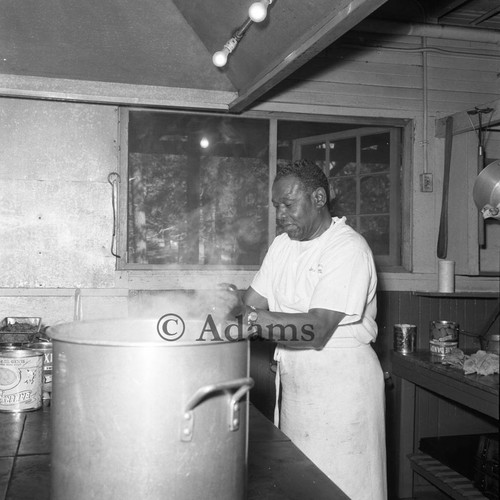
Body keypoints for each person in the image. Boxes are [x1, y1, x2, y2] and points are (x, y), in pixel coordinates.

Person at [236, 160, 387, 500]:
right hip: (298, 384)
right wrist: (225, 306)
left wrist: (250, 319)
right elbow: (250, 301)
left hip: (343, 388)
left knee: (345, 485)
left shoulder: (347, 248)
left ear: (319, 198)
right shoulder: (282, 246)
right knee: (303, 483)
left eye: (288, 204)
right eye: (276, 206)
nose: (280, 214)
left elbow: (317, 330)